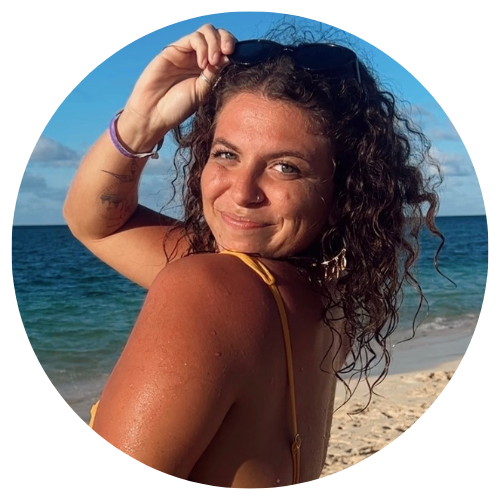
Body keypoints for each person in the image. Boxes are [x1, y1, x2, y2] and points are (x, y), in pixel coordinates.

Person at [63, 24, 442, 487]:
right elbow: (98, 223)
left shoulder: (209, 290)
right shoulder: (323, 293)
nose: (242, 192)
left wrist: (140, 125)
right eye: (227, 155)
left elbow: (97, 226)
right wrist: (141, 121)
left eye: (285, 167)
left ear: (342, 191)